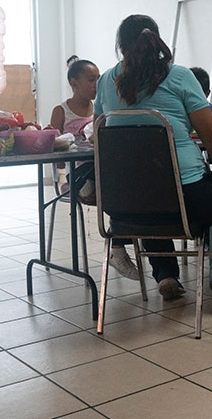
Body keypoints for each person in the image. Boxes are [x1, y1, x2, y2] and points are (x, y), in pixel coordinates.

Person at [94, 14, 212, 318]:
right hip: (185, 197)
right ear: (156, 41)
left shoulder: (104, 82)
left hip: (126, 205)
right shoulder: (178, 76)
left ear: (120, 47)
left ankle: (165, 274)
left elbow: (98, 132)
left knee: (150, 190)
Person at [48, 56, 141, 282]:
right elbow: (54, 152)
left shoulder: (101, 108)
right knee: (121, 186)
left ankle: (119, 245)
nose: (97, 84)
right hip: (79, 175)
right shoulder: (61, 111)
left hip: (104, 171)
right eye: (91, 79)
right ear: (74, 83)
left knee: (132, 184)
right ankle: (119, 244)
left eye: (99, 79)